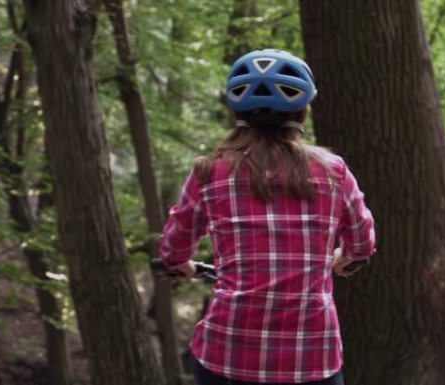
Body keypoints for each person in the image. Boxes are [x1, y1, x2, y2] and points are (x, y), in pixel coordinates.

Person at [160, 49, 376, 385]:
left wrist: (179, 263)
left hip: (227, 353)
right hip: (311, 357)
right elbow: (363, 242)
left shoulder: (209, 172)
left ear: (236, 110)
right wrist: (343, 257)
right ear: (302, 111)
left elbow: (174, 246)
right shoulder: (333, 172)